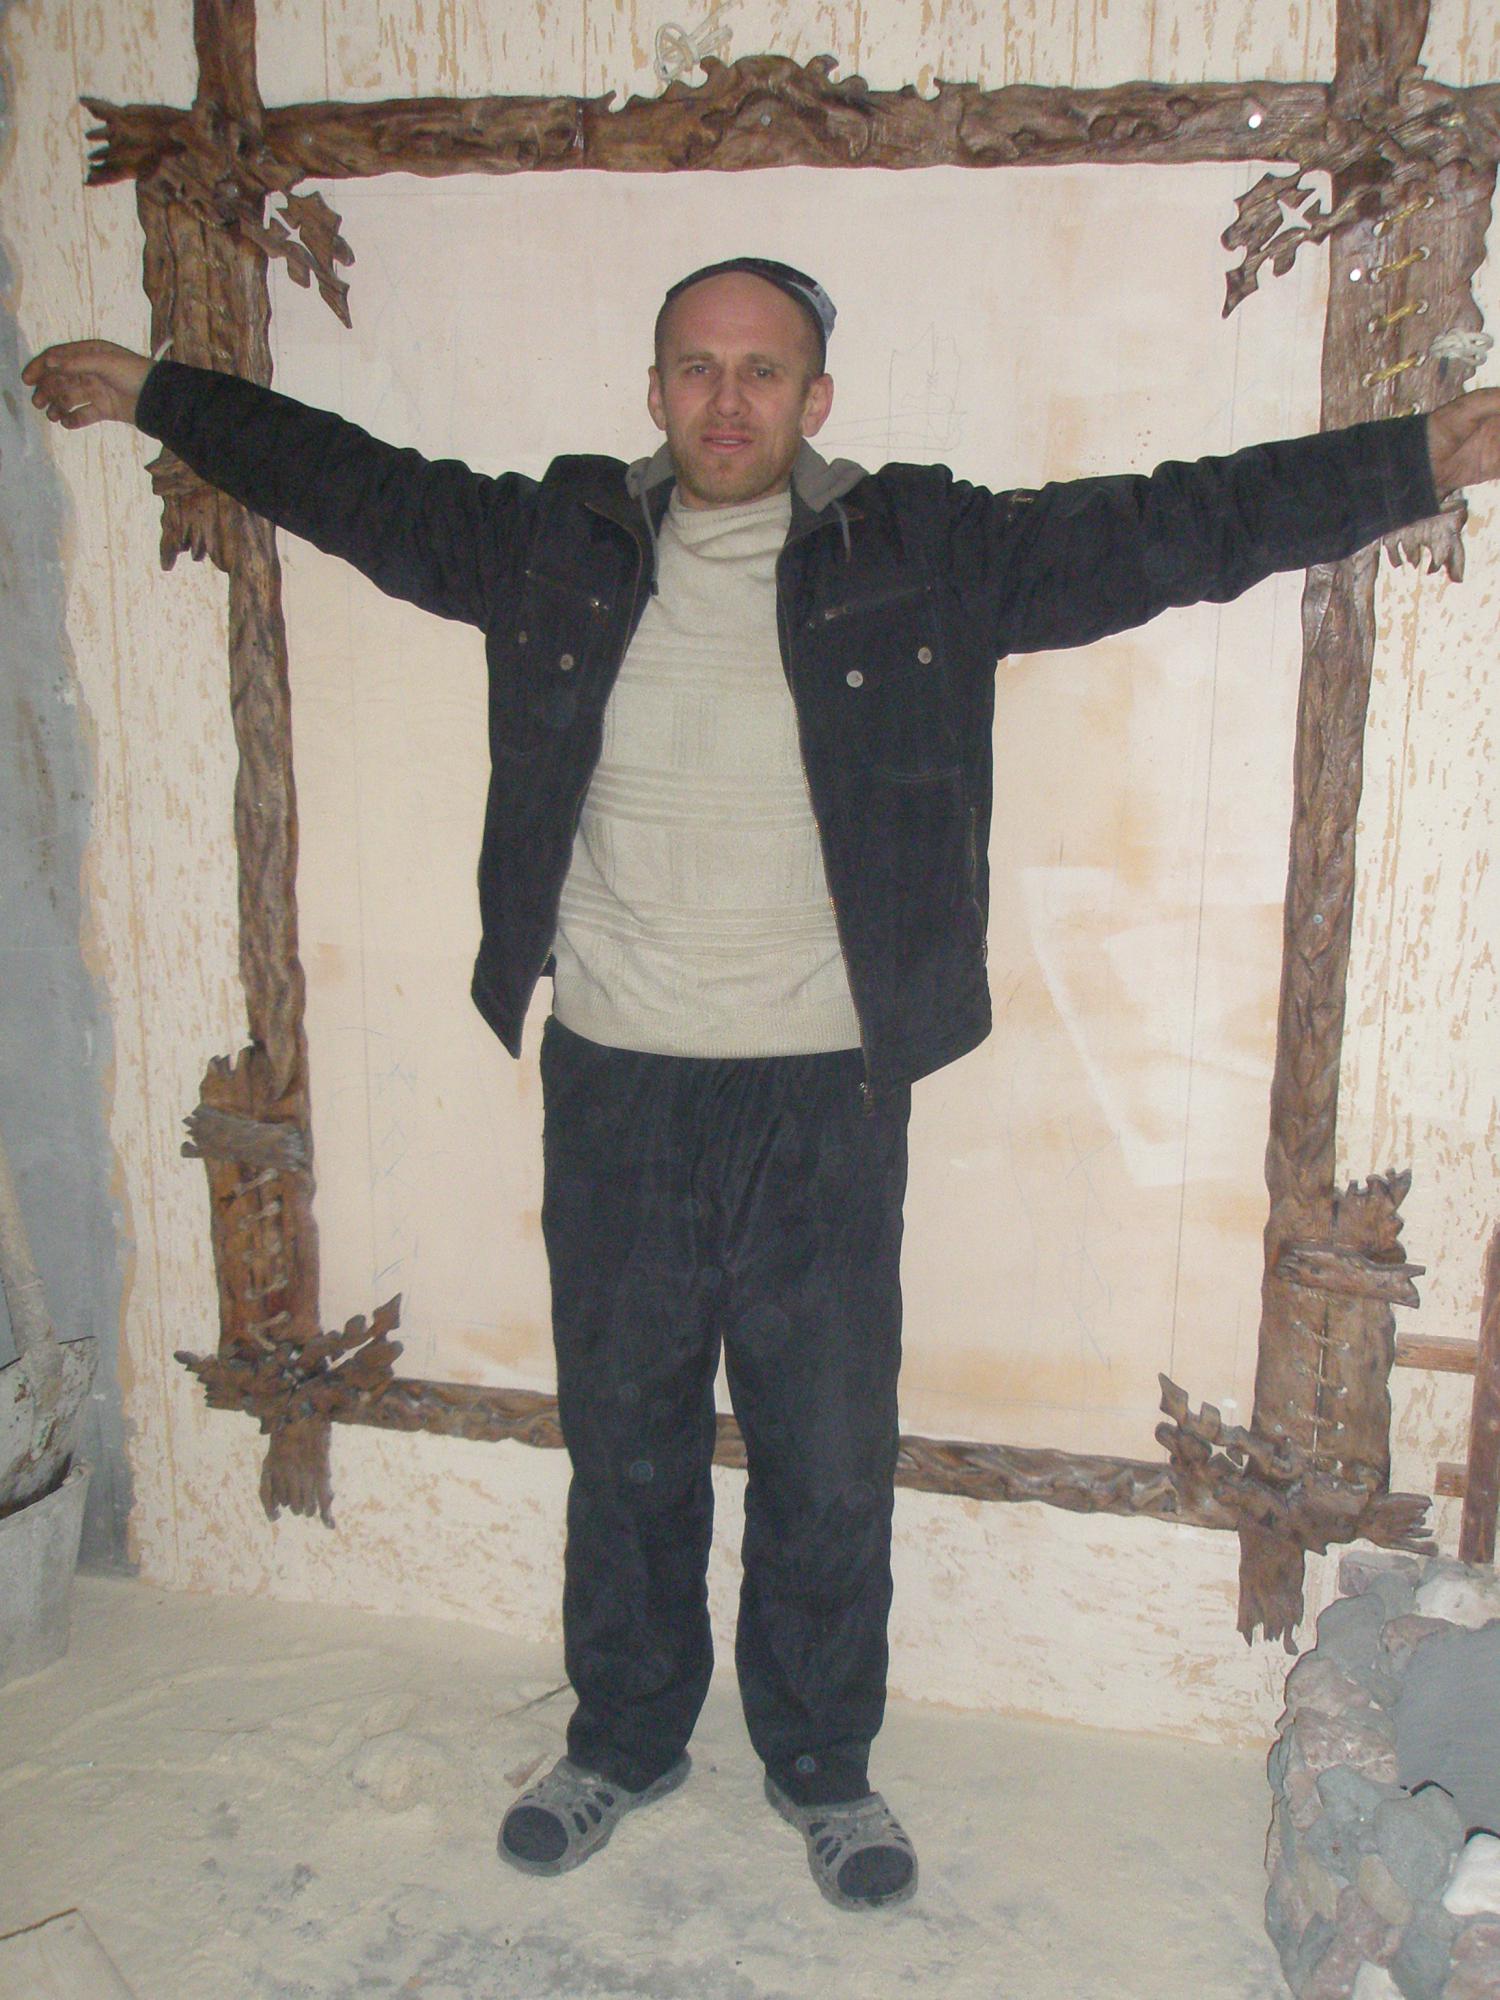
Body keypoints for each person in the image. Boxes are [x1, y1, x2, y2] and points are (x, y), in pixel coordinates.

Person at [24, 259, 1500, 1912]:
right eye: (698, 368)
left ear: (815, 400)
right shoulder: (555, 544)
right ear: (655, 388)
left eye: (763, 373)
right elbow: (352, 485)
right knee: (627, 1442)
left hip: (826, 1093)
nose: (727, 402)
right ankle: (623, 1738)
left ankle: (821, 1765)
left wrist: (1419, 455)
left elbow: (1173, 525)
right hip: (617, 1084)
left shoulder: (919, 550)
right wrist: (161, 396)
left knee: (825, 1452)